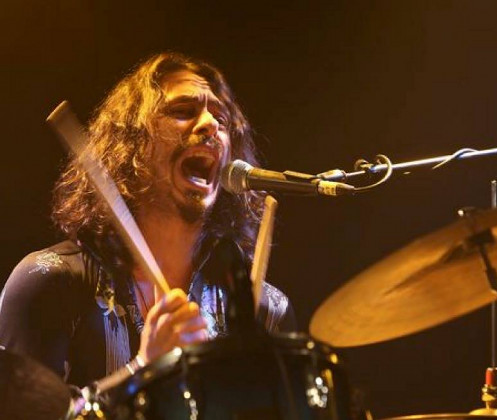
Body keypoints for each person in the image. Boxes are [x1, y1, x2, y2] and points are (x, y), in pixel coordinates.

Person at [0, 52, 295, 391]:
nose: (211, 125)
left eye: (221, 119)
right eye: (183, 111)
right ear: (133, 143)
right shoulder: (49, 283)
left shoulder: (265, 312)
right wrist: (144, 369)